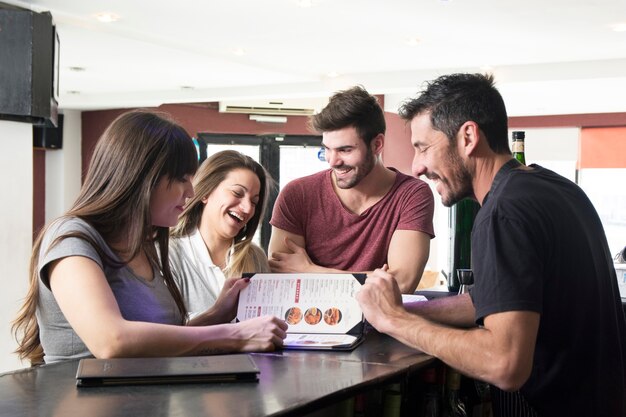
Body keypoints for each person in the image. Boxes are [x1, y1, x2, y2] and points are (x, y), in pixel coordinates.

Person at [356, 73, 626, 416]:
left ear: (468, 136)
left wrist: (394, 320)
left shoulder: (503, 212)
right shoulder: (555, 188)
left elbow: (504, 363)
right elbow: (498, 299)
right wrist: (402, 309)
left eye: (424, 147)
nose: (417, 166)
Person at [12, 110, 287, 365]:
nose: (190, 192)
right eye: (181, 179)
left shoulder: (144, 247)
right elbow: (112, 341)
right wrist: (235, 334)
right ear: (144, 176)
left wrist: (216, 314)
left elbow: (161, 341)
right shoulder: (71, 238)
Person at [269, 86, 435, 293]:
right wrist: (374, 277)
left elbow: (401, 283)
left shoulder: (412, 194)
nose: (333, 161)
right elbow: (281, 282)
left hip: (379, 325)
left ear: (377, 144)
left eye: (345, 150)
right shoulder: (297, 194)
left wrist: (311, 271)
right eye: (327, 149)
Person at [170, 150, 271, 318]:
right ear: (205, 193)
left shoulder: (255, 258)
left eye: (254, 202)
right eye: (237, 193)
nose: (247, 208)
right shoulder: (168, 253)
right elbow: (161, 331)